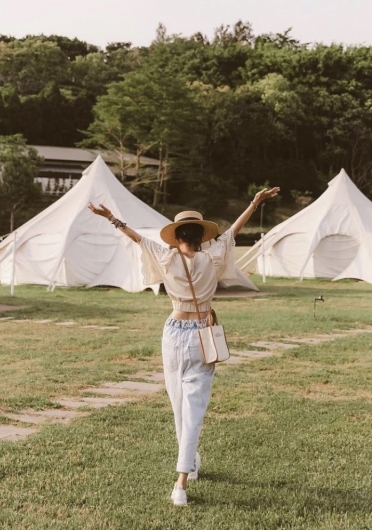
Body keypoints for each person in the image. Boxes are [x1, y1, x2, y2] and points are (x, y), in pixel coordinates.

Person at [88, 186, 279, 505]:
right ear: (202, 236)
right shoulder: (212, 257)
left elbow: (135, 238)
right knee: (193, 409)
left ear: (177, 237)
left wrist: (111, 217)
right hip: (201, 333)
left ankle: (188, 467)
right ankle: (181, 481)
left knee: (179, 404)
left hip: (173, 332)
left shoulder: (165, 257)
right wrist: (254, 203)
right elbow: (233, 231)